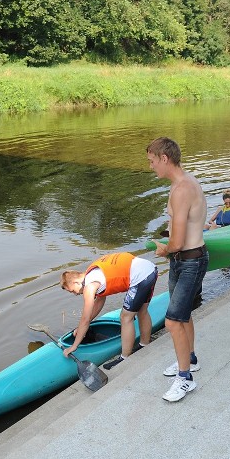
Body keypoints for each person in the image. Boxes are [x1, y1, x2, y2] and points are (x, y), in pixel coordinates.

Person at [147, 137, 208, 402]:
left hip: (190, 261)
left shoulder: (183, 189)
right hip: (184, 260)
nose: (151, 167)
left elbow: (179, 241)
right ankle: (190, 359)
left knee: (172, 320)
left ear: (164, 158)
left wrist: (164, 249)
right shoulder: (183, 182)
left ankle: (185, 379)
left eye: (152, 161)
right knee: (182, 316)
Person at [60, 252, 157, 366]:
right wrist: (81, 328)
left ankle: (125, 358)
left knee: (125, 317)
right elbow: (99, 302)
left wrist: (74, 346)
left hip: (140, 277)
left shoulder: (89, 287)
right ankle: (145, 344)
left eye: (72, 290)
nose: (74, 294)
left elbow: (85, 318)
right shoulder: (93, 273)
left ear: (76, 282)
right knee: (142, 311)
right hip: (150, 269)